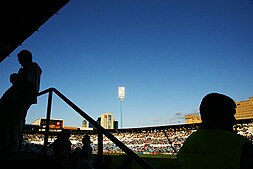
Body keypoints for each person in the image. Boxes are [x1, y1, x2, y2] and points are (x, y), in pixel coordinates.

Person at [177, 92, 253, 169]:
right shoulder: (240, 144)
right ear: (221, 115)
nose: (234, 120)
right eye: (231, 115)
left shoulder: (189, 141)